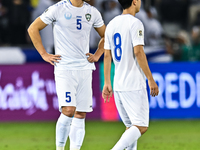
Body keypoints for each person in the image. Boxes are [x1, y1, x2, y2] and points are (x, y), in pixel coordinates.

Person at [27, 0, 106, 150]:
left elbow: (106, 36)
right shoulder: (58, 8)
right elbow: (33, 28)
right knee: (68, 110)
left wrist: (97, 54)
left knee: (81, 113)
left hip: (84, 68)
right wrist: (43, 54)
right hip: (65, 68)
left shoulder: (92, 12)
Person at [102, 0, 159, 150]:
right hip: (133, 84)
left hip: (118, 84)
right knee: (141, 126)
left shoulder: (112, 24)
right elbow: (139, 52)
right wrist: (150, 79)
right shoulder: (135, 23)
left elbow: (107, 56)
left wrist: (107, 82)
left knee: (131, 127)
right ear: (134, 1)